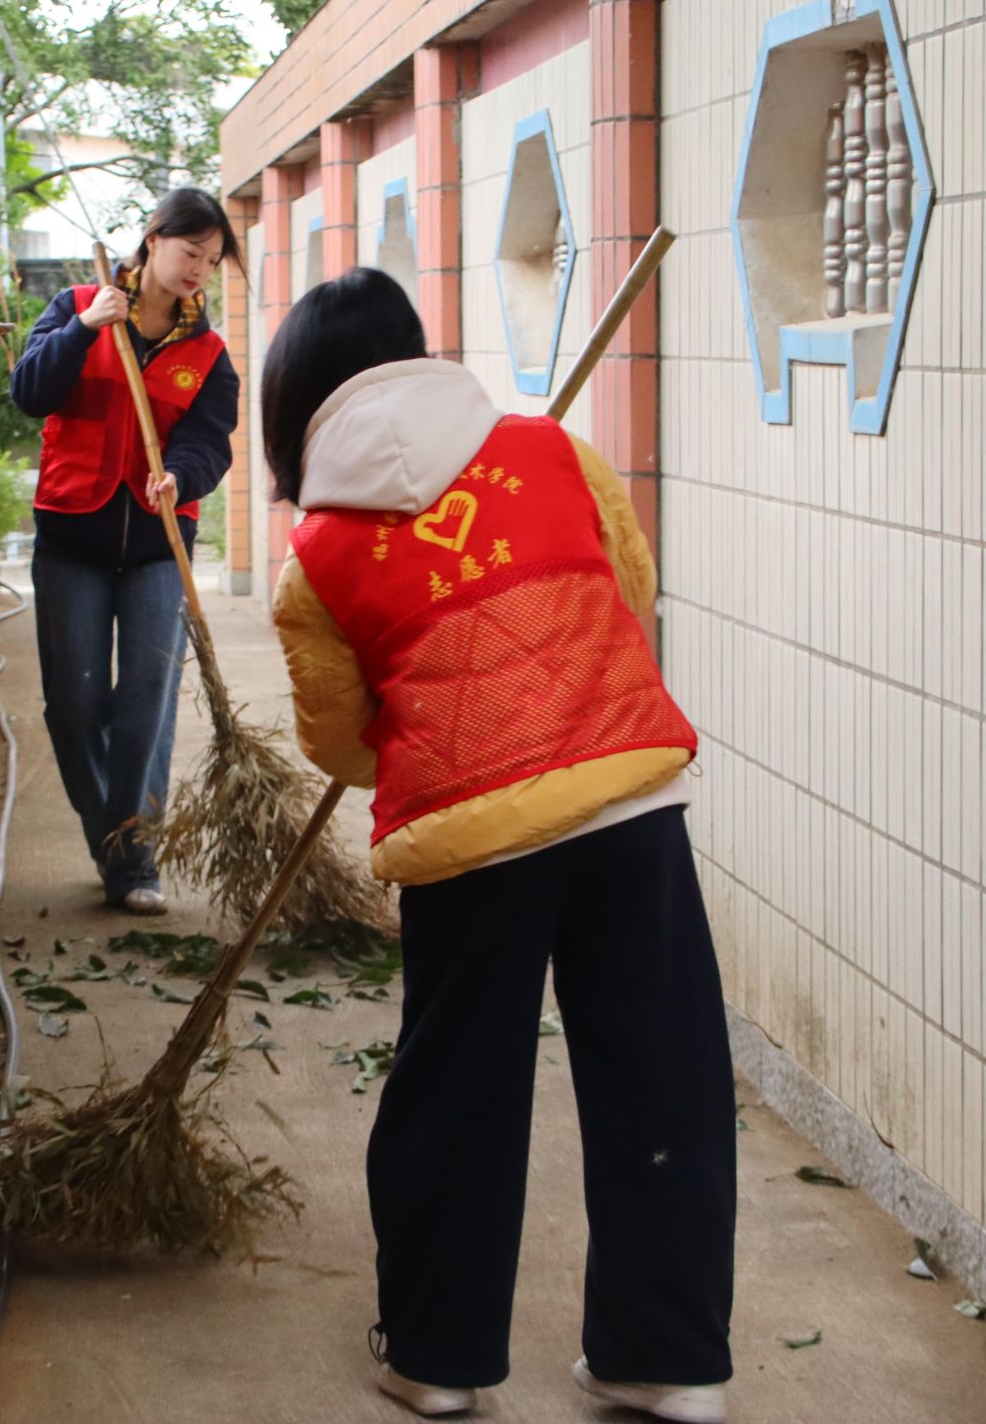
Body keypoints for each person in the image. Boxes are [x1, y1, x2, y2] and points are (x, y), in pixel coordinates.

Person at [263, 268, 737, 1423]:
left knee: (456, 1088)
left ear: (297, 402)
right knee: (659, 1073)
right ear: (416, 349)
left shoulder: (313, 558)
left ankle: (435, 1357)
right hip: (624, 802)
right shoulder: (550, 449)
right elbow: (628, 586)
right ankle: (664, 1358)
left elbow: (340, 739)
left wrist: (438, 725)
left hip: (465, 838)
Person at [10, 187, 242, 914]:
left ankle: (136, 859)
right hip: (71, 536)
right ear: (153, 239)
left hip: (156, 545)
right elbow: (29, 392)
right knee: (74, 704)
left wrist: (183, 475)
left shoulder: (207, 352)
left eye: (212, 259)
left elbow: (209, 440)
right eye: (190, 251)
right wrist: (83, 330)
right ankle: (109, 836)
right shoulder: (79, 306)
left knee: (147, 697)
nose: (199, 268)